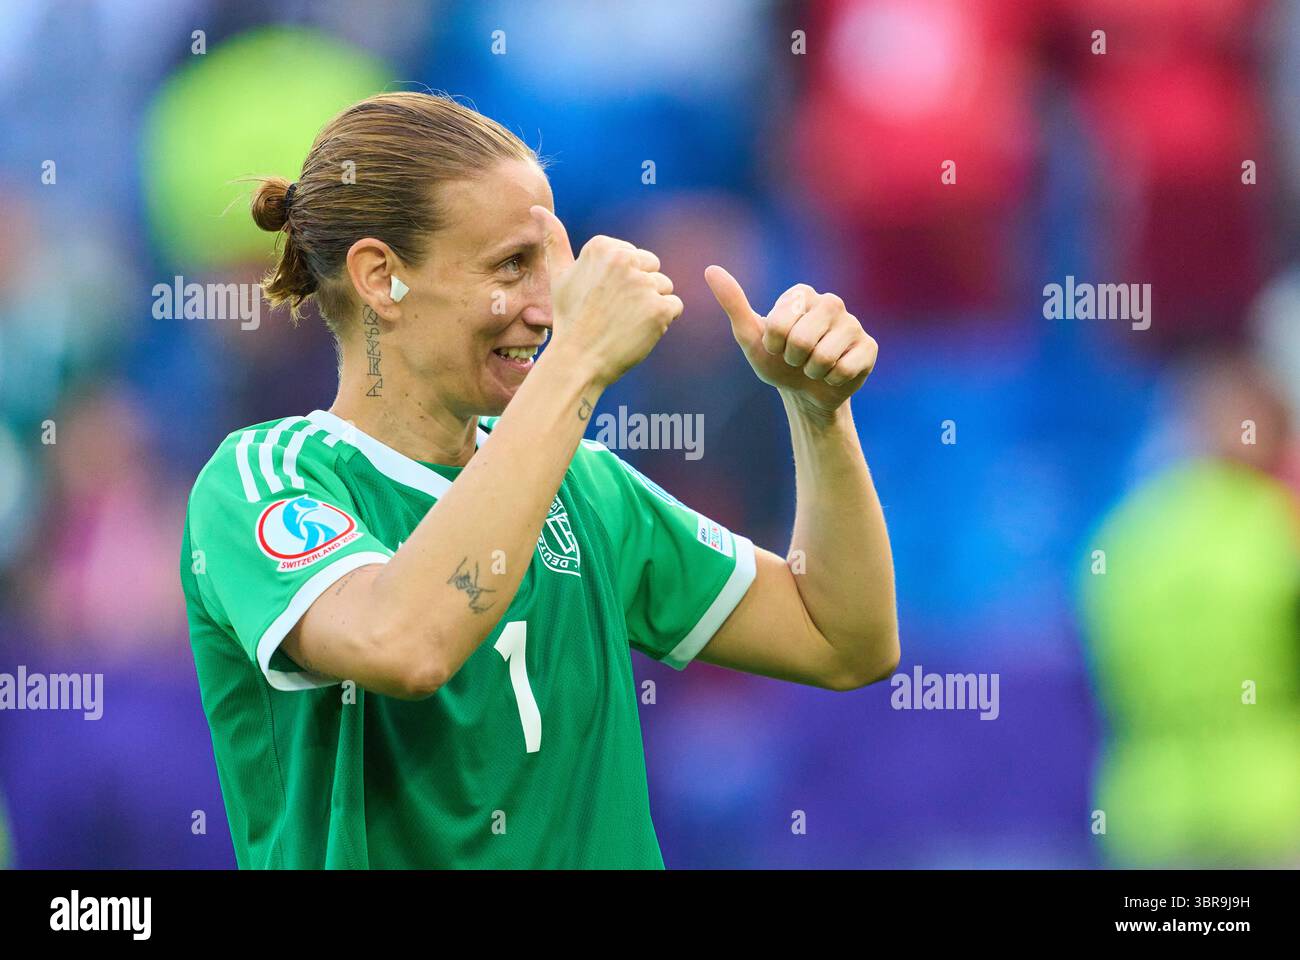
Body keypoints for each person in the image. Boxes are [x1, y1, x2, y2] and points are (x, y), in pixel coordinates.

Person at [179, 92, 898, 868]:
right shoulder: (265, 481)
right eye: (512, 266)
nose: (547, 305)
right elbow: (405, 643)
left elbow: (843, 640)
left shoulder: (582, 486)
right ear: (381, 277)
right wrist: (578, 362)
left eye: (549, 264)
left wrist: (818, 416)